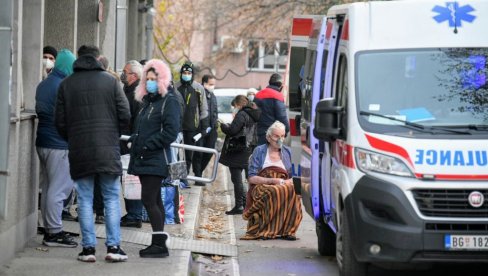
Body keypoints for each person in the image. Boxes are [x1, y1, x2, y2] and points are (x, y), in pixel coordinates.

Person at [55, 45, 131, 263]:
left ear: (78, 59)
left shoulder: (66, 84)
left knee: (85, 200)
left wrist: (73, 138)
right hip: (108, 148)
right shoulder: (111, 81)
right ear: (98, 58)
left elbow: (59, 121)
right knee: (111, 198)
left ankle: (88, 249)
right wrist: (112, 134)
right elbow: (125, 114)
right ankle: (114, 247)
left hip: (80, 150)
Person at [128, 59, 180, 258]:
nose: (149, 82)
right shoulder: (149, 102)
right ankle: (160, 241)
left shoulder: (169, 100)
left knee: (148, 199)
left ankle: (159, 244)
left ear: (162, 79)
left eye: (153, 79)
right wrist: (136, 139)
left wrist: (149, 144)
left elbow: (170, 132)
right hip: (144, 157)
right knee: (155, 200)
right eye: (147, 79)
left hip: (155, 158)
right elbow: (144, 127)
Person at [36, 48, 78, 248]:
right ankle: (54, 231)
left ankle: (46, 226)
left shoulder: (44, 84)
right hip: (59, 144)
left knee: (47, 188)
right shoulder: (63, 86)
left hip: (43, 142)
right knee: (60, 188)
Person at [241, 121, 302, 240]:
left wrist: (288, 181)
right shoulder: (259, 151)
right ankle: (268, 230)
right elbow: (251, 178)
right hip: (262, 185)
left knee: (291, 190)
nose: (280, 139)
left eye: (282, 136)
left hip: (284, 184)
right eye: (276, 136)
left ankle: (288, 231)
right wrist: (273, 181)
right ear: (268, 137)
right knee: (274, 191)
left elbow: (296, 176)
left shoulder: (288, 152)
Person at [220, 95, 260, 215]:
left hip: (238, 149)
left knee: (236, 179)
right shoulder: (253, 113)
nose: (234, 109)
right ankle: (245, 203)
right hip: (249, 148)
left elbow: (233, 130)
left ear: (239, 105)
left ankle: (239, 205)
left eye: (234, 106)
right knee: (247, 178)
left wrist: (224, 127)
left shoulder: (242, 114)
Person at [119, 60, 144, 228]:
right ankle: (133, 213)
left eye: (125, 72)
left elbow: (136, 120)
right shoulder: (129, 91)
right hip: (125, 141)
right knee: (128, 179)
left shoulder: (135, 94)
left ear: (134, 76)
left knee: (131, 179)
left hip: (129, 143)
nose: (122, 74)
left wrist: (131, 142)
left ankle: (134, 215)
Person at [175, 61, 209, 184]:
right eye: (184, 72)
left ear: (192, 74)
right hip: (177, 127)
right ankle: (177, 179)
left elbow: (204, 108)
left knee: (189, 155)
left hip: (192, 127)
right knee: (177, 154)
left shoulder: (198, 88)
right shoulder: (175, 86)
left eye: (189, 73)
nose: (186, 74)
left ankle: (185, 179)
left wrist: (204, 126)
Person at [192, 74, 218, 186]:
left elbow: (214, 112)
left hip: (211, 129)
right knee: (198, 153)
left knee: (209, 152)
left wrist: (215, 125)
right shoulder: (198, 94)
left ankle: (199, 172)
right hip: (200, 129)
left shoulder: (213, 96)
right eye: (210, 84)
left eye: (213, 84)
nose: (212, 86)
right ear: (204, 83)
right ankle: (198, 176)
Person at [254, 73, 290, 145]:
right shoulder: (278, 96)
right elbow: (281, 116)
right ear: (280, 86)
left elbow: (253, 113)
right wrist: (286, 130)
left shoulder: (258, 94)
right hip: (274, 134)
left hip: (260, 132)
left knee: (261, 153)